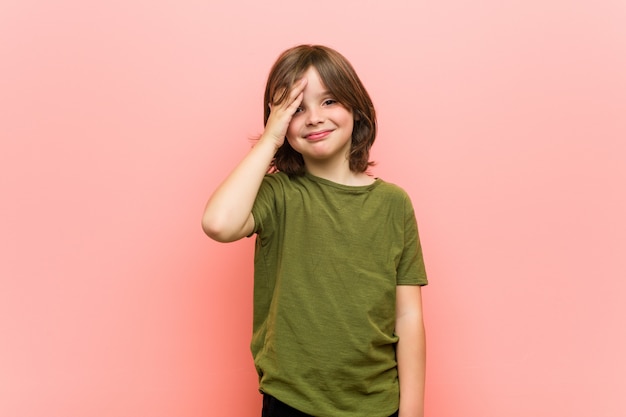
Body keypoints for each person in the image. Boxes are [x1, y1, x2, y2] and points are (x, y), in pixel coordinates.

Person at [202, 44, 428, 417]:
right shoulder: (277, 194)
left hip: (376, 403)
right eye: (296, 108)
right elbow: (218, 223)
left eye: (328, 101)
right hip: (290, 401)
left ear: (356, 108)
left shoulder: (394, 204)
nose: (313, 118)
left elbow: (408, 316)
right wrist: (272, 138)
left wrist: (413, 411)